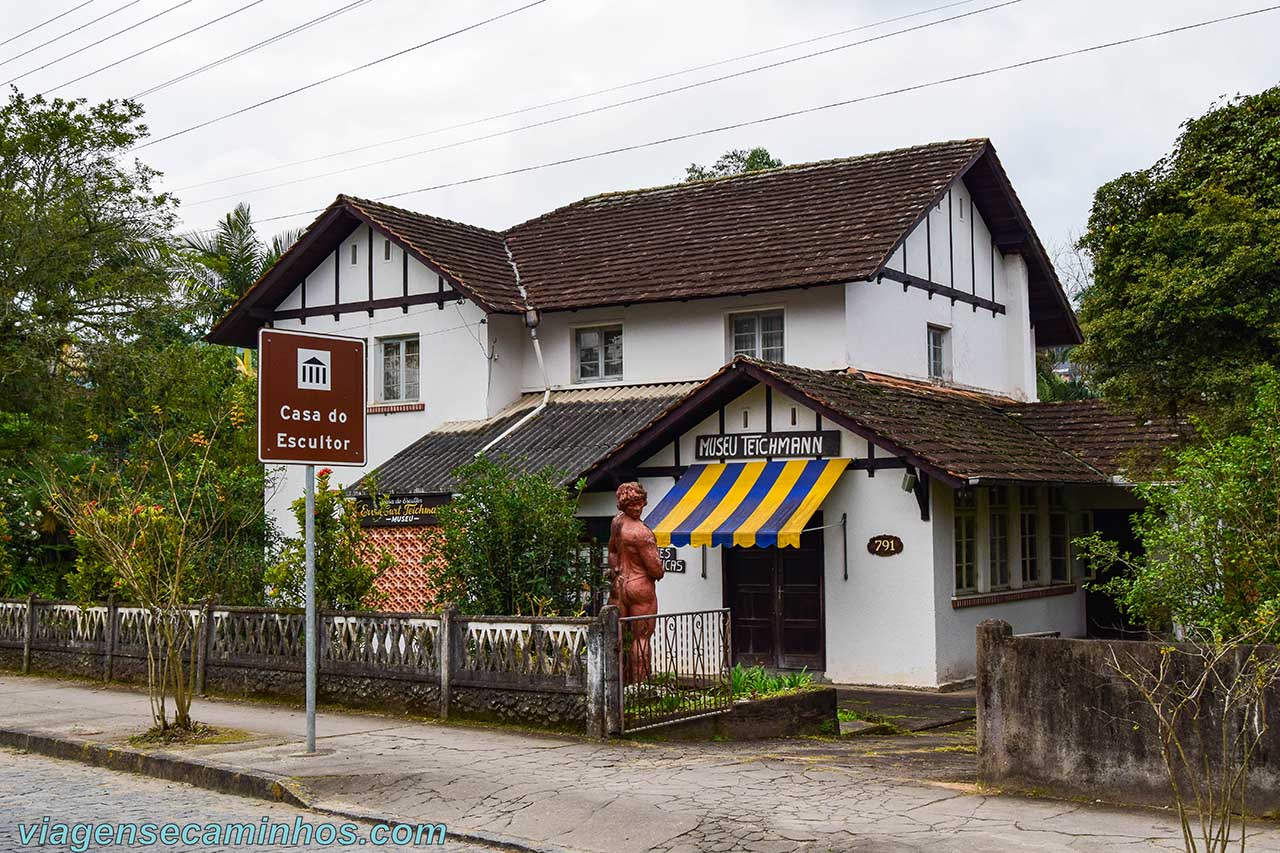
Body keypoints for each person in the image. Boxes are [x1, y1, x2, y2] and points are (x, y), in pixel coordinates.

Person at [607, 482, 664, 682]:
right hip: (640, 587)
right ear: (624, 505)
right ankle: (640, 688)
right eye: (632, 505)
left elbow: (612, 552)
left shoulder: (617, 523)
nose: (637, 508)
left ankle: (617, 685)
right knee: (641, 639)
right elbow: (656, 570)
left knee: (617, 638)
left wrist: (615, 571)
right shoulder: (642, 533)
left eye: (639, 503)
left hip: (619, 584)